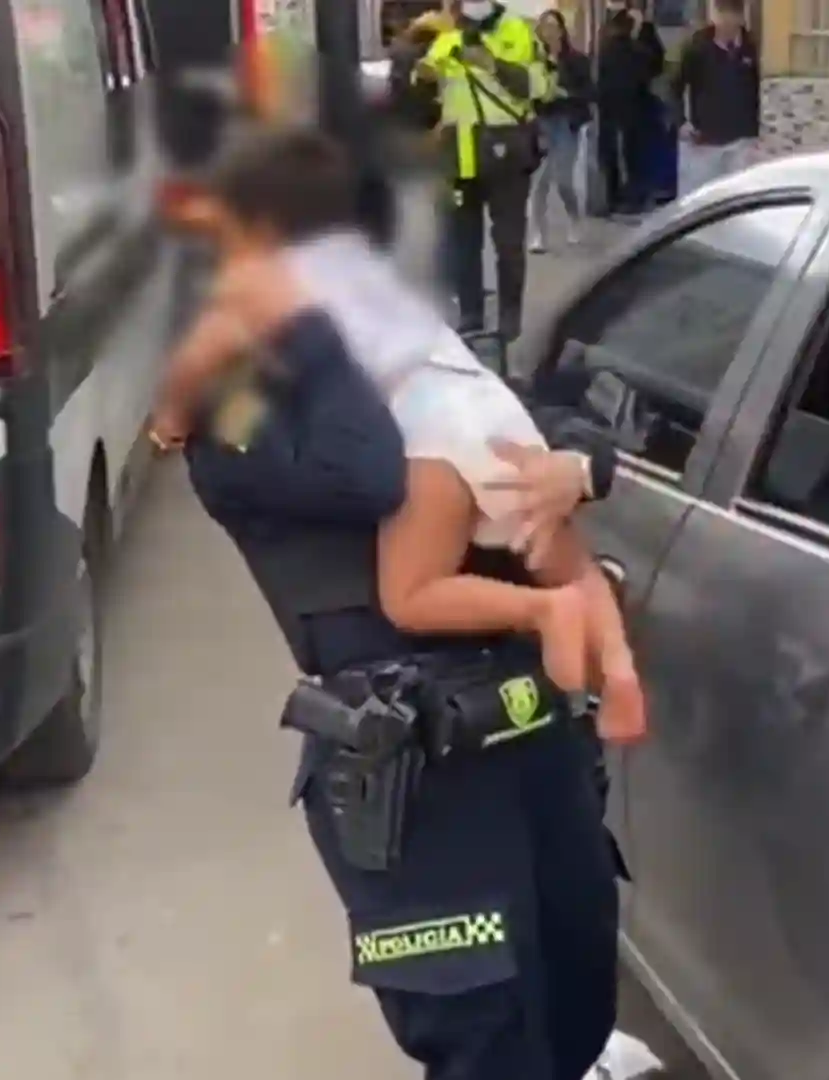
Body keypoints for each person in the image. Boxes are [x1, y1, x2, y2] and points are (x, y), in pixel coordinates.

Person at [148, 132, 631, 1080]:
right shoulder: (239, 415)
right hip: (417, 775)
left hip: (534, 737)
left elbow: (529, 410)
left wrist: (581, 467)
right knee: (485, 1042)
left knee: (578, 1001)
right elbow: (367, 471)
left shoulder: (395, 345)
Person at [158, 128, 647, 742]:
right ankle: (616, 675)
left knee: (412, 592)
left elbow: (364, 474)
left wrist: (172, 415)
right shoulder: (370, 278)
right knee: (566, 561)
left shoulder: (263, 293)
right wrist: (577, 468)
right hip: (488, 411)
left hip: (436, 436)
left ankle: (547, 615)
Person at [414, 0, 546, 339]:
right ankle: (471, 315)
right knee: (464, 242)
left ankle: (509, 320)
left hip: (506, 153)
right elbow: (424, 83)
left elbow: (535, 86)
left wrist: (491, 63)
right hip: (460, 154)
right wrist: (422, 75)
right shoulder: (448, 36)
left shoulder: (516, 30)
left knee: (508, 243)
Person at [671, 0, 761, 195]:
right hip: (705, 141)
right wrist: (681, 122)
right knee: (701, 199)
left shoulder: (750, 46)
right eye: (723, 14)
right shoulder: (697, 47)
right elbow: (674, 87)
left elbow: (756, 88)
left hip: (741, 140)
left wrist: (756, 131)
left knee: (737, 197)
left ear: (740, 17)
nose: (727, 22)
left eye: (733, 15)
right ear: (715, 15)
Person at [529, 10, 592, 252]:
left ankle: (574, 217)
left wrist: (567, 94)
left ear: (562, 30)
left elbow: (590, 92)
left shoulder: (576, 60)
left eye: (555, 27)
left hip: (566, 122)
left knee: (563, 179)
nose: (550, 32)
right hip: (542, 123)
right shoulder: (534, 62)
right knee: (540, 182)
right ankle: (537, 234)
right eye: (546, 27)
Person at [595, 2, 664, 215]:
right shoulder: (609, 29)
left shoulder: (644, 32)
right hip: (611, 102)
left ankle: (634, 197)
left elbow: (655, 63)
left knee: (633, 150)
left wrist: (638, 35)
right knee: (611, 151)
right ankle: (614, 197)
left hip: (635, 101)